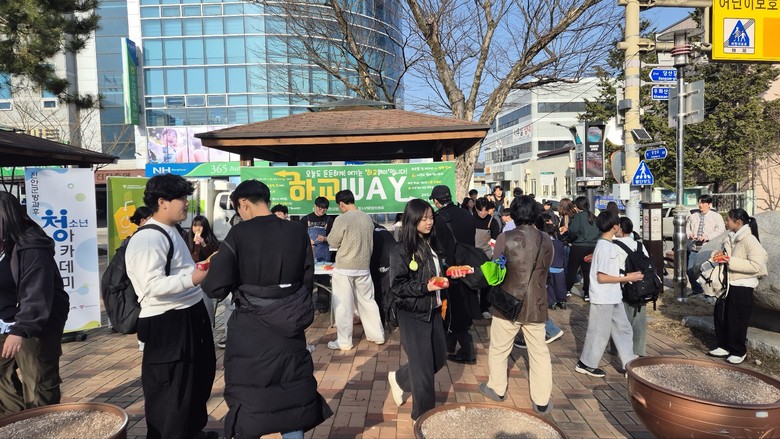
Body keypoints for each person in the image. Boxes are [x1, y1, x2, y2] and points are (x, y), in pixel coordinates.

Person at [201, 179, 331, 438]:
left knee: (249, 398)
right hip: (289, 326)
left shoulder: (239, 234)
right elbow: (307, 278)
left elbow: (215, 286)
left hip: (251, 332)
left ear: (243, 203)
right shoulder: (296, 231)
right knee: (292, 394)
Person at [124, 174, 216, 439]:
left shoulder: (172, 230)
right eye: (181, 198)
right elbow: (150, 286)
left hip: (188, 314)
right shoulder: (148, 239)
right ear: (162, 202)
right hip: (168, 323)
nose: (186, 203)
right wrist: (193, 278)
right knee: (171, 389)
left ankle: (191, 432)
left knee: (195, 380)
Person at [387, 199, 467, 420]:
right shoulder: (401, 250)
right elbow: (398, 285)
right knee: (423, 375)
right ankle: (423, 419)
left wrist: (451, 272)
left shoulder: (432, 243)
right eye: (423, 219)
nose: (429, 222)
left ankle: (400, 379)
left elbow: (438, 271)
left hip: (434, 310)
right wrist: (425, 286)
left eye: (431, 217)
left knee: (438, 359)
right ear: (412, 220)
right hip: (413, 314)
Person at [479, 196, 554, 415]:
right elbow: (546, 267)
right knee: (539, 352)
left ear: (513, 214)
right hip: (537, 303)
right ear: (535, 214)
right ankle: (541, 401)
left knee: (500, 348)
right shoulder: (546, 239)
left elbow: (497, 268)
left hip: (508, 303)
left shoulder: (505, 237)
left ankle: (497, 388)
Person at [0, 192, 69, 415]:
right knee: (3, 381)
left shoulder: (32, 246)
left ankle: (42, 425)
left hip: (34, 324)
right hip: (4, 321)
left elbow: (36, 292)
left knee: (38, 382)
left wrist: (21, 329)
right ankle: (16, 422)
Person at [575, 210, 641, 378]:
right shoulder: (605, 247)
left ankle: (629, 363)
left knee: (623, 329)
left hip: (613, 295)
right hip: (603, 296)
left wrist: (624, 278)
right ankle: (586, 363)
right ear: (614, 227)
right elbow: (602, 277)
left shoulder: (607, 245)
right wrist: (627, 278)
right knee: (599, 332)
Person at [326, 190, 385, 350]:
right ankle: (377, 335)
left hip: (345, 267)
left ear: (341, 204)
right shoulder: (367, 218)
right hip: (364, 266)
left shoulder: (342, 219)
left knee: (343, 306)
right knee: (368, 302)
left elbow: (332, 241)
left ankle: (344, 342)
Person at [707, 208, 767, 365]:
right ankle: (724, 345)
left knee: (737, 319)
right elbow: (725, 254)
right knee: (721, 316)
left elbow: (756, 265)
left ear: (738, 222)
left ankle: (738, 351)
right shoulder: (731, 236)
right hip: (727, 283)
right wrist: (718, 255)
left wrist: (729, 261)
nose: (726, 222)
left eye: (728, 219)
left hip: (742, 285)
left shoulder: (750, 240)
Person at [429, 185, 478, 364]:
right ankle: (448, 344)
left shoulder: (438, 218)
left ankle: (467, 351)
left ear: (436, 201)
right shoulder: (467, 214)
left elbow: (436, 245)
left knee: (454, 308)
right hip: (468, 267)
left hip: (450, 269)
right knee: (461, 306)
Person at [614, 217, 649, 356]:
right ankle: (638, 350)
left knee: (620, 321)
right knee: (639, 320)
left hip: (623, 284)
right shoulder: (639, 245)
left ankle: (617, 348)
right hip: (641, 285)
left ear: (620, 228)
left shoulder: (615, 245)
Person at [300, 197, 335, 313]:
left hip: (324, 254)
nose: (322, 210)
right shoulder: (305, 219)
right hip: (309, 254)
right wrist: (307, 241)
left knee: (323, 280)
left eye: (325, 209)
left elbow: (335, 238)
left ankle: (323, 305)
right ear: (315, 206)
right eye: (320, 208)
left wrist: (325, 238)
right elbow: (299, 236)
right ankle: (306, 306)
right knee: (307, 280)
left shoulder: (329, 220)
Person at [687, 195, 726, 295]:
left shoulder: (716, 216)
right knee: (690, 270)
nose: (700, 205)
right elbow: (687, 228)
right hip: (695, 248)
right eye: (699, 202)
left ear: (709, 204)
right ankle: (697, 289)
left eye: (703, 203)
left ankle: (710, 292)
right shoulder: (693, 216)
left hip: (709, 248)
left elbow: (720, 230)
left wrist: (707, 237)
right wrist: (690, 234)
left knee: (708, 271)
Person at [565, 196, 600, 302]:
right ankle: (587, 293)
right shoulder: (594, 217)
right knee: (588, 271)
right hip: (591, 247)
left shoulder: (578, 216)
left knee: (572, 269)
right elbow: (599, 232)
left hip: (578, 246)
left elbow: (573, 231)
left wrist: (570, 239)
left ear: (578, 206)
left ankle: (567, 289)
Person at [473, 197, 500, 320]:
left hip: (487, 255)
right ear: (476, 209)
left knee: (485, 284)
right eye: (480, 210)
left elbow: (495, 240)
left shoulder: (492, 221)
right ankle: (473, 309)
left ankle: (484, 307)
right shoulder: (471, 219)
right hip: (473, 255)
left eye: (485, 210)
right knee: (472, 283)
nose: (483, 213)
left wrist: (493, 255)